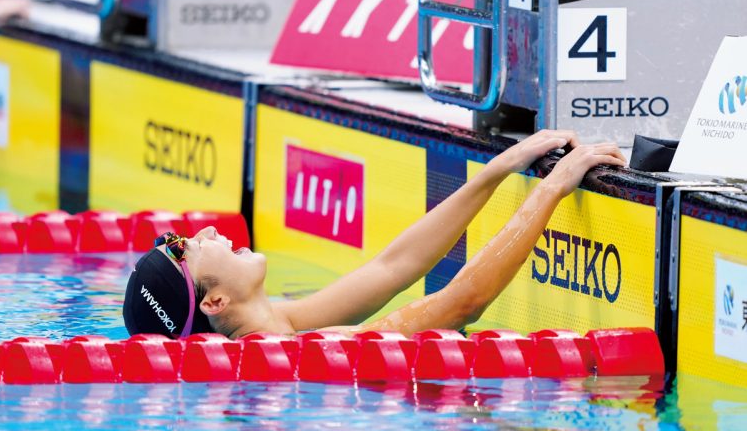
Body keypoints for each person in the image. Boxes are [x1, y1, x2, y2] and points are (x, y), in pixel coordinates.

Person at [123, 130, 626, 339]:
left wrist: (498, 168)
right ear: (213, 303)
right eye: (184, 248)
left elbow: (394, 268)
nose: (206, 230)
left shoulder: (282, 325)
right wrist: (555, 185)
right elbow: (461, 303)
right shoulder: (309, 350)